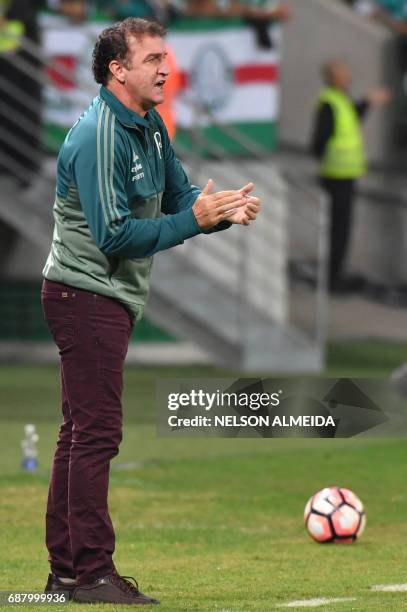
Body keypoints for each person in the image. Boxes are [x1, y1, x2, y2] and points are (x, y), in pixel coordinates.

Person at [41, 17, 260, 605]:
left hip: (100, 295)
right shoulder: (101, 134)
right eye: (154, 58)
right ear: (118, 69)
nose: (167, 68)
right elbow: (114, 235)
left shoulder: (149, 126)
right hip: (85, 293)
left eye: (167, 56)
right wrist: (194, 220)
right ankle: (90, 575)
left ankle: (65, 576)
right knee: (97, 435)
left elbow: (181, 196)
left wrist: (218, 210)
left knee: (80, 433)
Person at [311, 59, 390, 293]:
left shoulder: (341, 100)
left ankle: (335, 275)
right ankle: (332, 279)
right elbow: (318, 142)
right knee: (338, 229)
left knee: (341, 228)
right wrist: (325, 162)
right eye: (344, 72)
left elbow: (352, 117)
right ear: (335, 77)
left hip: (345, 174)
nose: (348, 76)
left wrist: (368, 101)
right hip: (337, 175)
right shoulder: (330, 102)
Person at [0, 0, 44, 187]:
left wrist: (8, 17)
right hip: (11, 53)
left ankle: (22, 167)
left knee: (20, 109)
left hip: (17, 54)